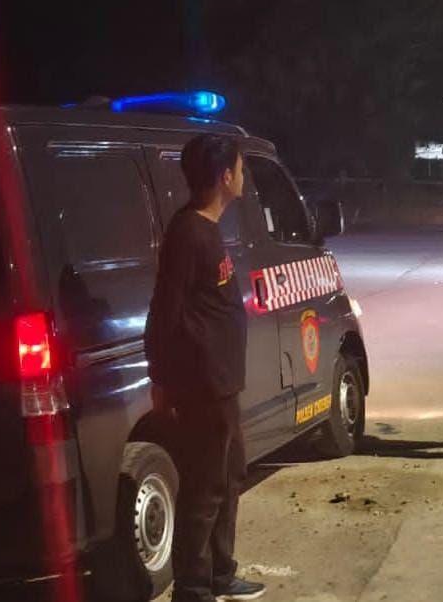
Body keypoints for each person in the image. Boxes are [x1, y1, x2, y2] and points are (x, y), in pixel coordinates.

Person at [144, 134, 266, 602]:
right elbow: (165, 310)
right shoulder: (188, 233)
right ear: (225, 177)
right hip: (202, 385)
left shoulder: (207, 229)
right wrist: (161, 377)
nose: (243, 175)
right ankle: (193, 589)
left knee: (230, 477)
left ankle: (220, 573)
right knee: (204, 487)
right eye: (241, 167)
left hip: (222, 383)